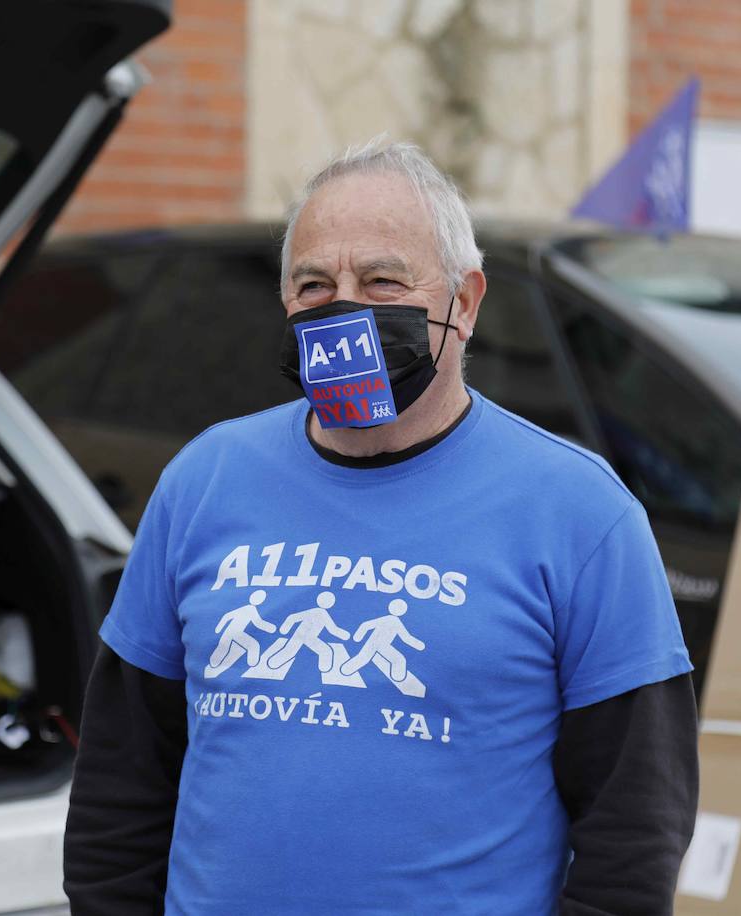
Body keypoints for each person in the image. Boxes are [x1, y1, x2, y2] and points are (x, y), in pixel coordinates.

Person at [64, 139, 699, 915]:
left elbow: (635, 829)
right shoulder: (204, 480)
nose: (344, 307)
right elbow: (122, 776)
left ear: (464, 303)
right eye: (313, 284)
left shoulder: (581, 514)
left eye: (381, 279)